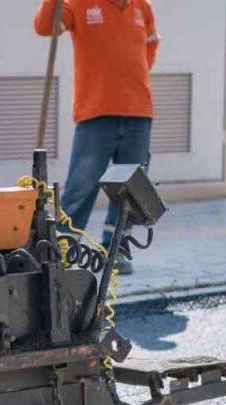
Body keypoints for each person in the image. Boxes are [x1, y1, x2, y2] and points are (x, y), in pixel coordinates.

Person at [34, 0, 160, 274]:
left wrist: (130, 77)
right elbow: (45, 27)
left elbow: (150, 46)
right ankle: (62, 250)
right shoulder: (78, 4)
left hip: (139, 111)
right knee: (82, 185)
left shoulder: (143, 7)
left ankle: (116, 249)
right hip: (96, 113)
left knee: (131, 189)